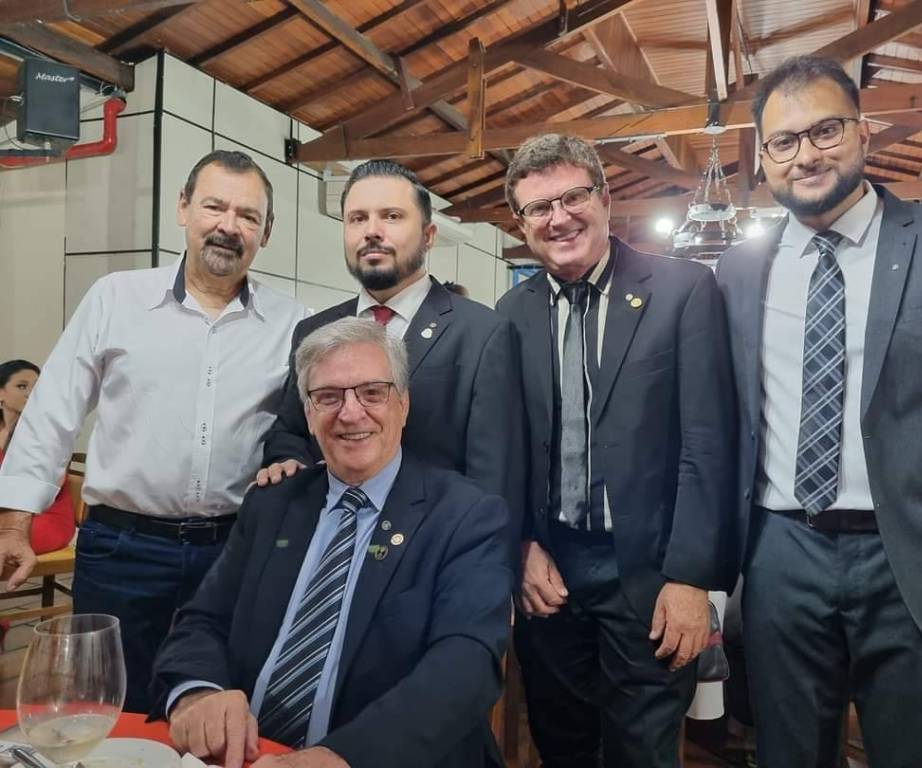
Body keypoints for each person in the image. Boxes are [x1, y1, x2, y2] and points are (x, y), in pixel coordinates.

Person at [715, 55, 922, 768]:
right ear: (764, 158)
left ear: (864, 132)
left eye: (825, 130)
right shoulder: (739, 270)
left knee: (917, 752)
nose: (805, 155)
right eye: (783, 141)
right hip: (781, 554)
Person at [0, 149, 308, 713]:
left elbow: (302, 431)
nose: (228, 226)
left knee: (213, 706)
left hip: (233, 553)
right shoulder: (117, 298)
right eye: (214, 206)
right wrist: (15, 521)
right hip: (121, 550)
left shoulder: (293, 324)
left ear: (266, 232)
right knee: (107, 707)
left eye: (248, 215)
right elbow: (52, 410)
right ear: (183, 208)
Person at [151, 318, 512, 768]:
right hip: (249, 756)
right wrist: (198, 693)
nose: (351, 413)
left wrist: (339, 757)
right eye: (328, 397)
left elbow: (466, 664)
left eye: (372, 393)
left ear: (403, 404)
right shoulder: (272, 503)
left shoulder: (465, 515)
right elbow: (203, 620)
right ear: (308, 414)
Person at [496, 133, 737, 768]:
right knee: (562, 745)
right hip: (550, 575)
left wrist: (691, 580)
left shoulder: (682, 290)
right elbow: (507, 447)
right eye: (538, 208)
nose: (558, 218)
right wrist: (520, 546)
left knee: (644, 753)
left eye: (572, 197)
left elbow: (708, 445)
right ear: (521, 223)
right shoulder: (511, 312)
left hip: (650, 576)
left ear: (605, 199)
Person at [260, 159, 525, 546]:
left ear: (429, 235)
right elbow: (290, 430)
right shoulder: (314, 331)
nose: (372, 231)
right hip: (327, 546)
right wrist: (287, 461)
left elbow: (494, 478)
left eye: (392, 216)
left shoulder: (482, 334)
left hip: (433, 551)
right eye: (357, 218)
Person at [0, 360, 73, 554]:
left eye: (37, 388)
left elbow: (43, 489)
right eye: (22, 386)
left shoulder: (46, 434)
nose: (31, 393)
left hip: (41, 518)